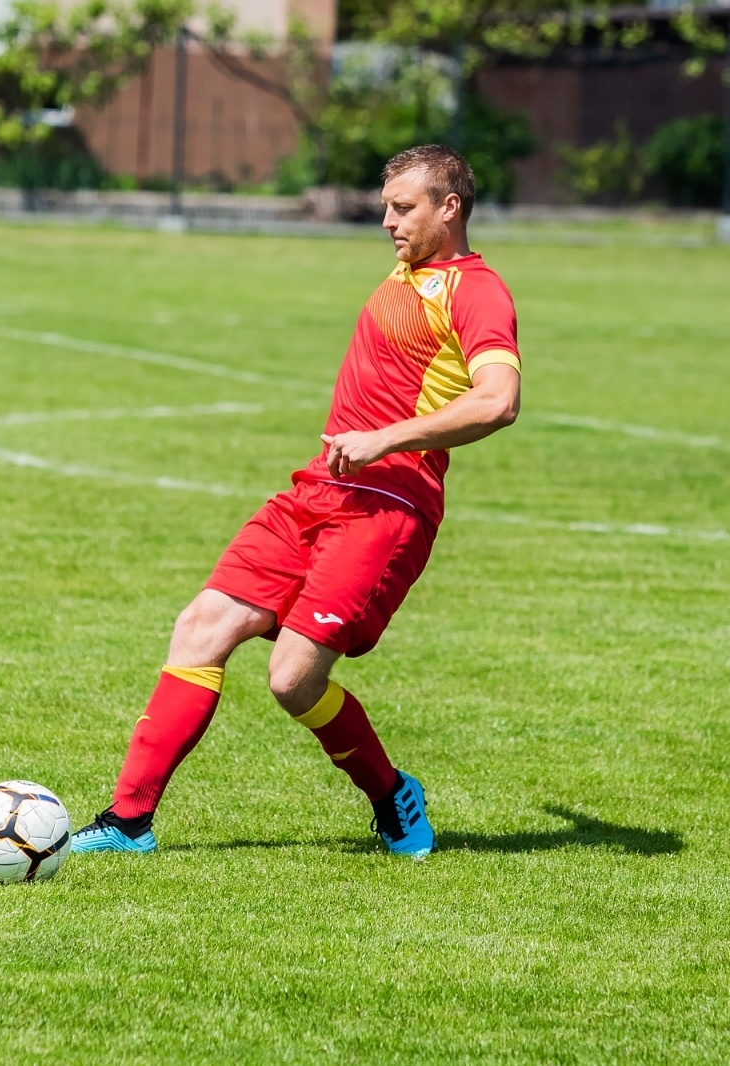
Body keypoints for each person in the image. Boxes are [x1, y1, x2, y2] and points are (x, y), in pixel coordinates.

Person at [70, 144, 522, 860]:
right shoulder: (412, 269)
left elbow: (499, 402)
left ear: (450, 208)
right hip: (317, 491)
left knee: (291, 679)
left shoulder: (476, 290)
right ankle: (128, 821)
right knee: (201, 625)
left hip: (387, 503)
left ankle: (391, 792)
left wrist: (386, 440)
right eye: (385, 206)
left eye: (402, 208)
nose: (386, 222)